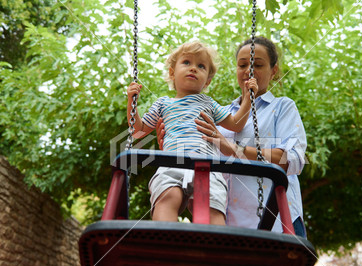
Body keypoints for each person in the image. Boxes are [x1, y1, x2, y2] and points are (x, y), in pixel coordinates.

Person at [158, 37, 307, 237]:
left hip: (277, 223)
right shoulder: (221, 116)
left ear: (274, 71)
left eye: (258, 65)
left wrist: (234, 149)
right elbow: (198, 163)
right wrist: (172, 145)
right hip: (231, 227)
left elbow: (293, 159)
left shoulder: (281, 107)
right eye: (242, 65)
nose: (248, 70)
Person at [126, 41, 258, 225]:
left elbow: (235, 124)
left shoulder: (208, 103)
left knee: (211, 206)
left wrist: (247, 97)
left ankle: (215, 248)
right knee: (167, 197)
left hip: (208, 165)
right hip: (172, 161)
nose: (193, 68)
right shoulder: (163, 104)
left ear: (208, 81)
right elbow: (138, 131)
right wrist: (132, 102)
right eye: (187, 62)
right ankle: (165, 242)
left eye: (201, 66)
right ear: (172, 72)